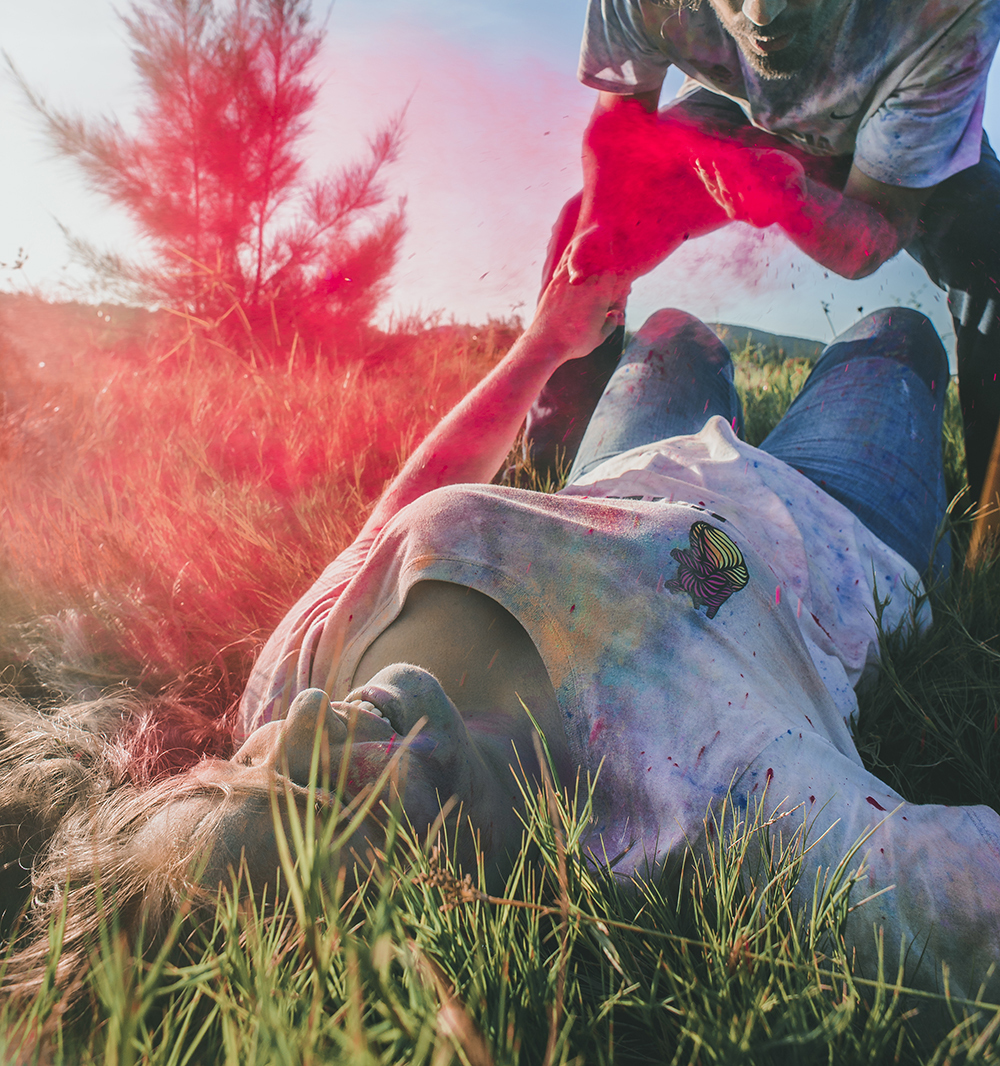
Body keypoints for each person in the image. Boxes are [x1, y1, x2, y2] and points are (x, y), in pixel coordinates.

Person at [4, 260, 1000, 1013]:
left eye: (241, 767)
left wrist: (541, 346)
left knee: (671, 331)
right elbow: (960, 907)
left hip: (629, 469)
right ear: (425, 926)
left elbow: (396, 519)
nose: (304, 722)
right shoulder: (718, 819)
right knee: (897, 328)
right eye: (320, 803)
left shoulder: (291, 679)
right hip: (839, 520)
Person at [524, 0, 1000, 502]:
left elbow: (870, 239)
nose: (761, 8)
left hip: (884, 131)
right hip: (734, 113)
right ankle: (546, 474)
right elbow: (621, 128)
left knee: (993, 252)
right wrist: (607, 234)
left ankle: (990, 519)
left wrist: (791, 198)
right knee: (583, 227)